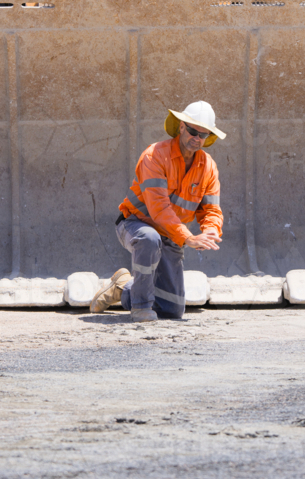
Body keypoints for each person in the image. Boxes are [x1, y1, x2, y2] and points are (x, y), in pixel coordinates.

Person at [90, 101, 226, 322]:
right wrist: (189, 237)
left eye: (203, 134)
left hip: (172, 235)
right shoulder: (154, 156)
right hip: (135, 224)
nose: (197, 138)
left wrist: (210, 231)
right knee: (149, 238)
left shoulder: (208, 166)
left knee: (171, 310)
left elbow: (211, 209)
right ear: (181, 127)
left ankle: (123, 287)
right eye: (193, 131)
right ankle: (141, 307)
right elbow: (159, 210)